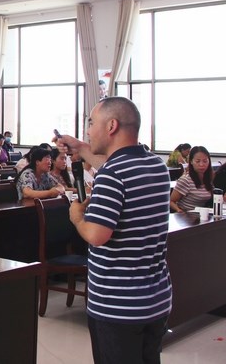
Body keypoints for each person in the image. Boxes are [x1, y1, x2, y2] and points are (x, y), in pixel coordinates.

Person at [58, 97, 171, 364]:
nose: (88, 130)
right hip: (155, 300)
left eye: (91, 123)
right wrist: (80, 147)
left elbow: (97, 235)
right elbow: (115, 167)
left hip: (118, 305)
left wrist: (77, 217)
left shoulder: (111, 175)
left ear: (111, 125)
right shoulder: (156, 165)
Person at [170, 146, 214, 213]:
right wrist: (178, 210)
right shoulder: (185, 180)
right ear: (191, 161)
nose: (201, 164)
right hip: (187, 215)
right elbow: (171, 201)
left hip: (204, 214)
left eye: (205, 161)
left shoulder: (209, 178)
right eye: (197, 161)